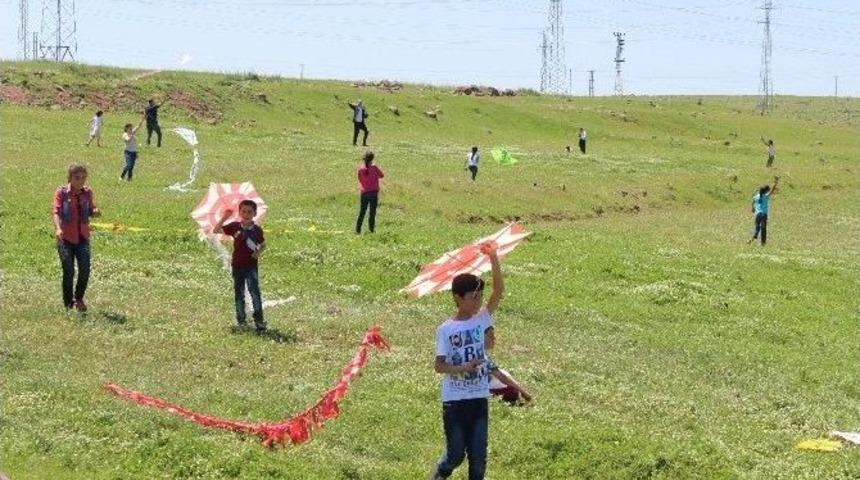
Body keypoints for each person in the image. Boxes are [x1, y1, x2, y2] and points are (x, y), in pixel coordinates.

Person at [430, 244, 504, 480]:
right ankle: (441, 472)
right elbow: (439, 365)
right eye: (473, 296)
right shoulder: (445, 329)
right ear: (457, 298)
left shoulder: (481, 319)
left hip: (479, 398)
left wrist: (493, 257)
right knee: (455, 455)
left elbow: (499, 291)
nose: (478, 300)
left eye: (480, 296)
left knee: (478, 459)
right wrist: (463, 368)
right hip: (454, 402)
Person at [52, 163, 101, 312]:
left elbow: (91, 209)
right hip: (65, 239)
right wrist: (58, 229)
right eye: (77, 178)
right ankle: (68, 303)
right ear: (70, 177)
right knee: (69, 272)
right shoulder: (62, 193)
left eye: (83, 178)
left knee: (85, 270)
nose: (81, 181)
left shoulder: (87, 192)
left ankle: (79, 298)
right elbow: (56, 212)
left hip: (83, 237)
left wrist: (95, 211)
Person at [214, 200, 267, 333]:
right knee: (239, 293)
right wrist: (224, 217)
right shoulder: (234, 226)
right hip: (237, 265)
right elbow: (216, 230)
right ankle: (241, 320)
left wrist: (258, 252)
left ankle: (259, 320)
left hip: (251, 266)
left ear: (255, 213)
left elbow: (263, 244)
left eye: (250, 212)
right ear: (239, 212)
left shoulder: (257, 230)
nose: (246, 214)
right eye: (243, 211)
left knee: (254, 292)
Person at [355, 151, 384, 234]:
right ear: (372, 159)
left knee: (362, 211)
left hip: (364, 192)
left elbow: (360, 179)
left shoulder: (361, 169)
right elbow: (382, 175)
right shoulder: (374, 167)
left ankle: (358, 229)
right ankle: (371, 230)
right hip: (373, 192)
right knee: (372, 212)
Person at [749, 176, 780, 246]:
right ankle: (763, 243)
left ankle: (753, 238)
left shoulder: (756, 196)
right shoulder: (766, 196)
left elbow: (753, 201)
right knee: (763, 228)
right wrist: (776, 182)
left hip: (758, 214)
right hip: (764, 214)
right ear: (766, 191)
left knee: (757, 227)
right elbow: (772, 189)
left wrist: (753, 208)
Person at [121, 116, 144, 181]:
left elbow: (139, 126)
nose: (131, 129)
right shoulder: (125, 135)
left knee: (131, 167)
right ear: (126, 129)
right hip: (128, 152)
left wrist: (143, 118)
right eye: (130, 129)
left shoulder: (132, 133)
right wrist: (132, 135)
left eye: (131, 128)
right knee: (129, 165)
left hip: (134, 152)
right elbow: (128, 140)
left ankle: (129, 178)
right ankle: (122, 176)